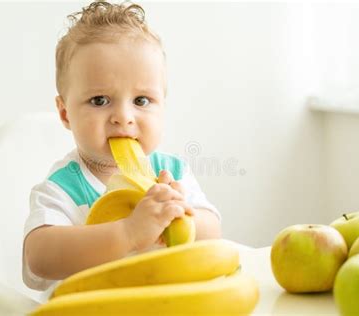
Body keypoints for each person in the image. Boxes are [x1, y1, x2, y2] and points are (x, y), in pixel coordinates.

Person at [22, 0, 222, 299]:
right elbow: (39, 257)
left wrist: (180, 213)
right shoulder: (62, 188)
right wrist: (128, 233)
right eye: (100, 100)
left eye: (141, 101)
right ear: (65, 113)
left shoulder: (171, 174)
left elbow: (213, 231)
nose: (124, 117)